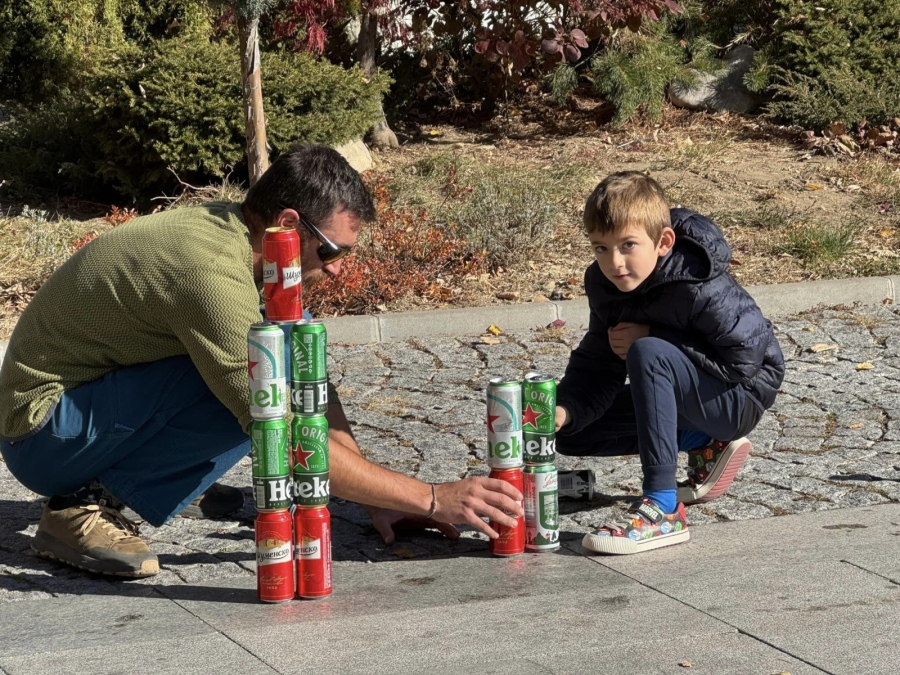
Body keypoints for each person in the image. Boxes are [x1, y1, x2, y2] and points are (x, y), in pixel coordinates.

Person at [0, 144, 521, 578]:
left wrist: (381, 498)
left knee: (277, 361)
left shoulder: (254, 249)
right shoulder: (210, 274)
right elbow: (285, 428)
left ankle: (152, 476)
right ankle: (82, 506)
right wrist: (430, 497)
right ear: (289, 222)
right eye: (332, 253)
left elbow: (311, 382)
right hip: (42, 435)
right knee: (262, 381)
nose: (338, 272)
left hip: (83, 407)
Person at [554, 171, 784, 555]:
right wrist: (564, 410)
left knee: (648, 352)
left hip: (739, 396)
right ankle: (704, 442)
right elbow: (599, 361)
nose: (614, 261)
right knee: (573, 430)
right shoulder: (603, 284)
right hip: (689, 397)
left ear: (663, 242)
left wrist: (653, 338)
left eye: (628, 245)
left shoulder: (698, 282)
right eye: (600, 248)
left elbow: (746, 361)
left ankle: (663, 509)